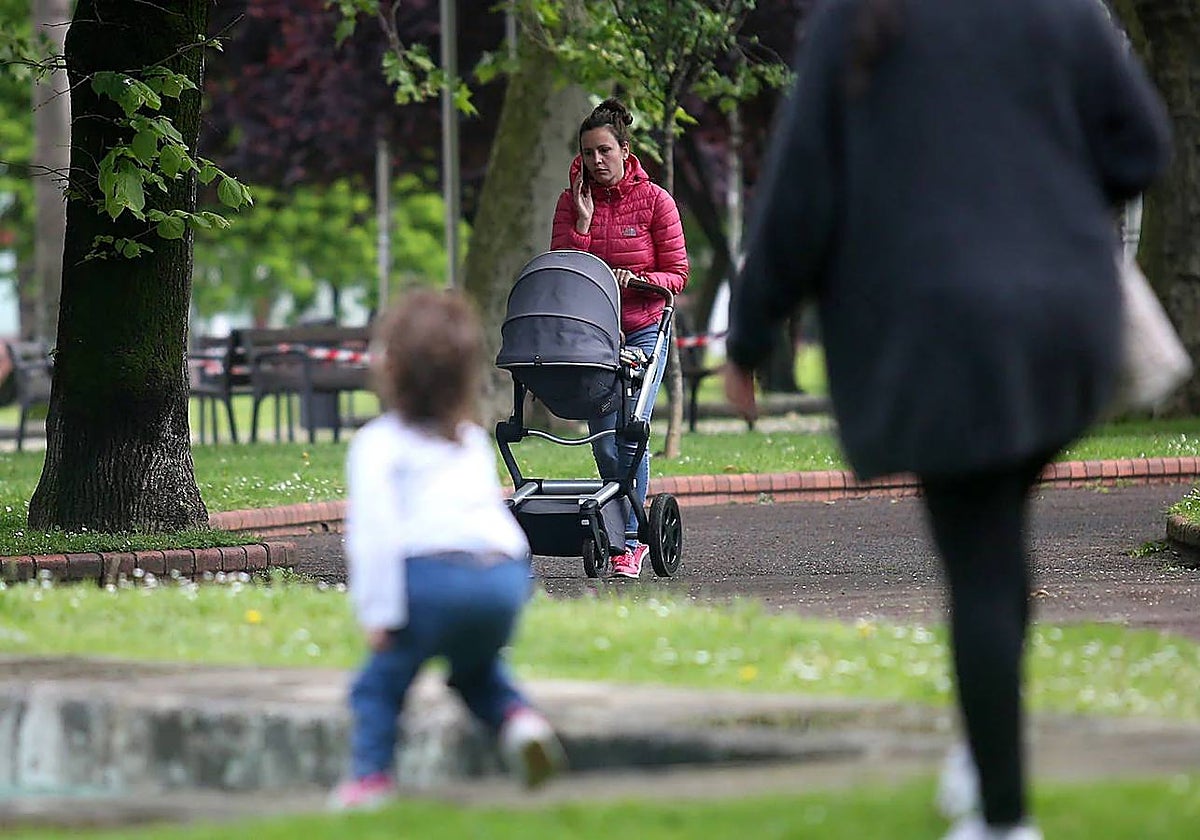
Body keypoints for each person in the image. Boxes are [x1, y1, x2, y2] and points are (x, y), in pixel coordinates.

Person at [723, 2, 1171, 839]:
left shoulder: (860, 20)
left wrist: (748, 336)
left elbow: (801, 191)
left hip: (932, 333)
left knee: (981, 564)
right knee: (998, 547)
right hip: (1059, 323)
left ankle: (1002, 817)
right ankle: (984, 746)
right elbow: (1140, 145)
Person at [330, 288, 565, 810]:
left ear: (390, 370)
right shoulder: (470, 441)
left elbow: (374, 538)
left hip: (434, 578)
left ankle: (369, 782)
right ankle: (520, 722)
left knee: (377, 687)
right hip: (502, 579)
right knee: (475, 671)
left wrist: (380, 615)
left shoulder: (379, 444)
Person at [551, 97, 690, 578]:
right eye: (589, 153)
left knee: (630, 432)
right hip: (594, 335)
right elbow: (564, 272)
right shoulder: (572, 203)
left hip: (643, 328)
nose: (597, 161)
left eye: (605, 151)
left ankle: (631, 540)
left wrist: (640, 279)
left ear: (625, 150)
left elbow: (678, 273)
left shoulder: (655, 202)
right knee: (603, 440)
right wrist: (585, 225)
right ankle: (615, 528)